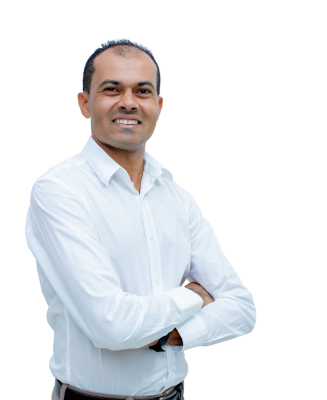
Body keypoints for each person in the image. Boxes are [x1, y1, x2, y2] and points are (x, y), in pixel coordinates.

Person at [25, 39, 256, 400]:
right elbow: (112, 325)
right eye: (112, 89)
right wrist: (194, 295)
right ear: (85, 103)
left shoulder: (177, 198)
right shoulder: (59, 191)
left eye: (143, 91)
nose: (129, 102)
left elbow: (241, 308)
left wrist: (169, 336)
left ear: (158, 106)